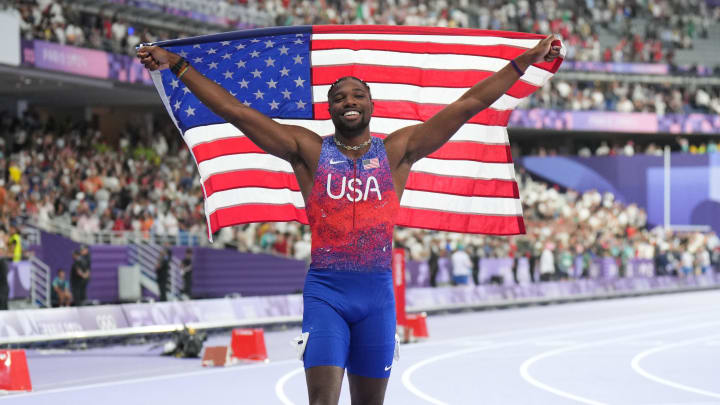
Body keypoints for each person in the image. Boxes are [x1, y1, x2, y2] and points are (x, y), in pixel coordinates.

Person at [138, 35, 561, 405]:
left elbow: (469, 103)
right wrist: (177, 65)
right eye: (340, 98)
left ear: (372, 104)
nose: (349, 102)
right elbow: (237, 112)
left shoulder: (398, 150)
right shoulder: (307, 149)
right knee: (322, 401)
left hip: (377, 298)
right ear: (330, 110)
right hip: (326, 293)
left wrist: (524, 61)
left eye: (357, 95)